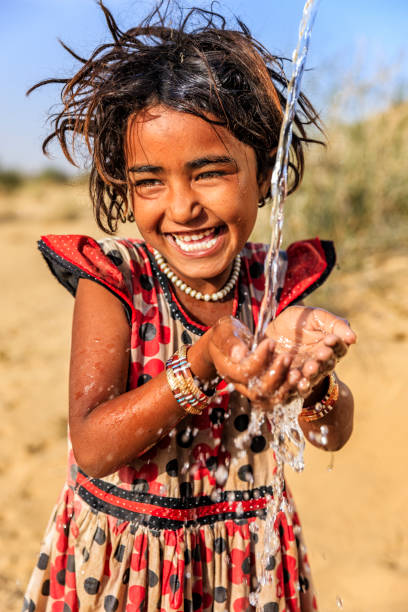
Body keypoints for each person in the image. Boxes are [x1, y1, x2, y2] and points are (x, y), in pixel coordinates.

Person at [23, 3, 356, 611]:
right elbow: (94, 446)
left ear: (264, 173)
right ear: (125, 186)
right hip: (128, 565)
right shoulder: (117, 281)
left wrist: (316, 383)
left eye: (209, 173)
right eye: (150, 181)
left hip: (247, 560)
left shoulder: (275, 284)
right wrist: (202, 361)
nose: (180, 208)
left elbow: (331, 438)